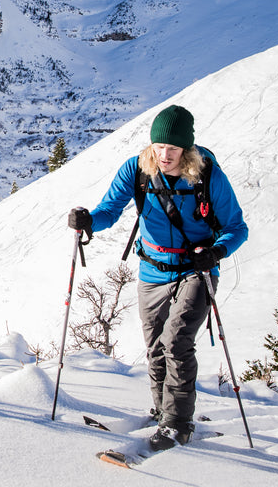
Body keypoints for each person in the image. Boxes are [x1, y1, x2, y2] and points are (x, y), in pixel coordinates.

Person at [68, 104, 248, 450]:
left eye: (173, 149)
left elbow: (236, 227)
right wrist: (89, 219)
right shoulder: (137, 170)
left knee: (177, 341)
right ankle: (162, 408)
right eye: (159, 147)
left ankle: (178, 423)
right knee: (155, 347)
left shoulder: (207, 175)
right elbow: (110, 209)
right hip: (151, 270)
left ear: (187, 149)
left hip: (195, 269)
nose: (165, 155)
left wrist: (217, 252)